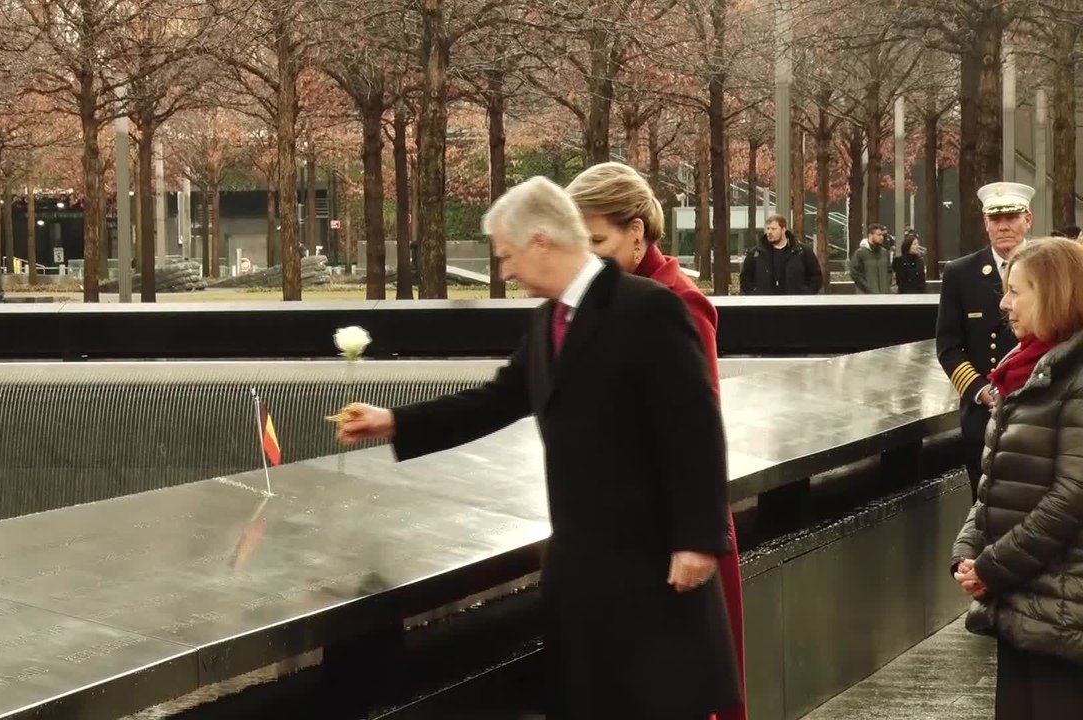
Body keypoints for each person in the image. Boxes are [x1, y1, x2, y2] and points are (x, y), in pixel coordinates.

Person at [337, 176, 741, 719]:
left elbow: (694, 429)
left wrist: (696, 542)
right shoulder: (550, 318)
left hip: (652, 576)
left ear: (543, 241)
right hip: (584, 577)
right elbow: (498, 398)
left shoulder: (649, 309)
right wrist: (394, 422)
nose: (504, 270)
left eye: (507, 255)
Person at [566, 161, 747, 720]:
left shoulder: (679, 303)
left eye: (596, 241)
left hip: (674, 533)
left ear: (638, 231)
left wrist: (693, 540)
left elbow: (697, 427)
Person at [951, 236, 1083, 718]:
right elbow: (996, 482)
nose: (1005, 304)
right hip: (1022, 599)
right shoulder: (1023, 367)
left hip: (1063, 612)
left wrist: (992, 566)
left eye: (1016, 291)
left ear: (1053, 293)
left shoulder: (1074, 376)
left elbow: (1071, 497)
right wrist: (968, 552)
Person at [936, 181, 1032, 501]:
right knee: (986, 508)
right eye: (995, 219)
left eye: (1012, 217)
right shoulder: (960, 273)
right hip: (985, 415)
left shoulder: (1050, 267)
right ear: (985, 224)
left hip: (1039, 408)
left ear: (1028, 220)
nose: (1003, 226)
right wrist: (980, 390)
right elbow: (948, 346)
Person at [739, 214, 823, 295]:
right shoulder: (756, 253)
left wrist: (805, 294)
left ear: (783, 230)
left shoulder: (802, 251)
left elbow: (816, 276)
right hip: (765, 306)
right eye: (768, 228)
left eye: (773, 229)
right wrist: (754, 294)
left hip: (795, 305)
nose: (769, 232)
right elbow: (745, 278)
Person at [850, 223, 892, 294]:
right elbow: (855, 274)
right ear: (870, 235)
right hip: (867, 297)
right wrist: (867, 288)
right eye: (878, 235)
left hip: (884, 296)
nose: (881, 237)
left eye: (882, 235)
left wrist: (887, 285)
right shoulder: (860, 253)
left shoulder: (885, 253)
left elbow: (889, 271)